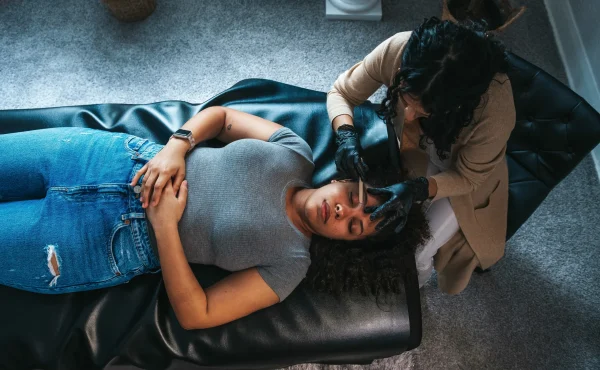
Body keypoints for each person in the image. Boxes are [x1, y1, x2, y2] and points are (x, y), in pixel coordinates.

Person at [0, 106, 429, 330]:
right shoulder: (294, 150)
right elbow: (221, 119)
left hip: (99, 241)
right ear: (345, 178)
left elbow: (198, 313)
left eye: (353, 225)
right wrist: (176, 146)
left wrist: (165, 226)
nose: (341, 210)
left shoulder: (290, 267)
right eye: (352, 197)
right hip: (105, 157)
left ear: (346, 244)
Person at [327, 17, 516, 294]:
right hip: (414, 152)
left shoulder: (495, 109)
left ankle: (416, 289)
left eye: (424, 111)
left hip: (465, 180)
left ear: (458, 105)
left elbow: (467, 178)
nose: (407, 115)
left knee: (415, 253)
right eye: (405, 98)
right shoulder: (398, 48)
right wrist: (345, 132)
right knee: (388, 232)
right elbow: (342, 92)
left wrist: (417, 189)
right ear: (403, 69)